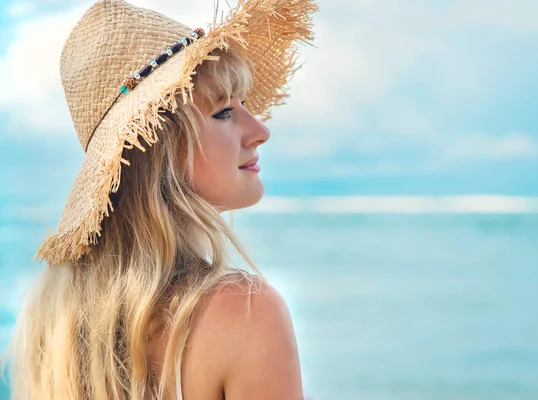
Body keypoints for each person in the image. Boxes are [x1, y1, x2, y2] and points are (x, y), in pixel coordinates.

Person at [1, 0, 317, 398]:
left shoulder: (54, 317)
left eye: (245, 106)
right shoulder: (246, 312)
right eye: (223, 112)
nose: (259, 130)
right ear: (159, 147)